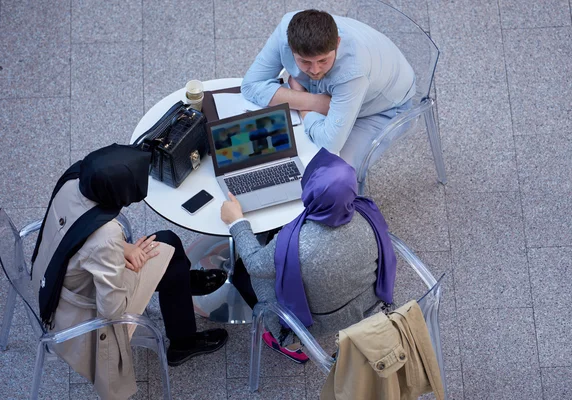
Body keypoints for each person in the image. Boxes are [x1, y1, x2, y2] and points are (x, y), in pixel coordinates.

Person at [31, 144, 228, 400]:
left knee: (170, 249)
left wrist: (123, 248)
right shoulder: (106, 237)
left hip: (54, 279)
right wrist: (123, 256)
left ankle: (182, 285)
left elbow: (78, 230)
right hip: (82, 311)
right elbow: (112, 310)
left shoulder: (73, 182)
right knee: (167, 248)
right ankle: (183, 343)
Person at [220, 148, 397, 363]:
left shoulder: (292, 243)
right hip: (368, 304)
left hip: (316, 323)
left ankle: (289, 340)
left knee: (253, 273)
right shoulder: (367, 214)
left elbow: (256, 265)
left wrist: (236, 222)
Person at [241, 9, 416, 170]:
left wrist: (302, 104)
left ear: (337, 43)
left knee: (336, 173)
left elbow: (330, 144)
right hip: (328, 95)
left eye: (323, 61)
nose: (315, 70)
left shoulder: (353, 70)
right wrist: (317, 102)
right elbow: (250, 86)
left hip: (383, 107)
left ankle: (349, 203)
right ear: (290, 46)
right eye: (305, 62)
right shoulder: (285, 30)